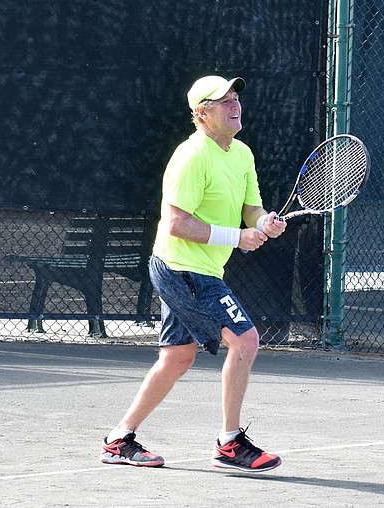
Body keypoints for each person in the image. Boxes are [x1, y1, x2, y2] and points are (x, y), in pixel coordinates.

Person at [99, 75, 287, 472]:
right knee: (246, 340)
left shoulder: (242, 155)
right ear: (201, 113)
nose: (234, 105)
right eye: (223, 101)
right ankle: (230, 443)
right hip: (181, 269)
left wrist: (263, 221)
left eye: (236, 98)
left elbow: (250, 208)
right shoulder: (191, 156)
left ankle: (119, 439)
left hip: (198, 268)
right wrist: (237, 237)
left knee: (177, 358)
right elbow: (176, 223)